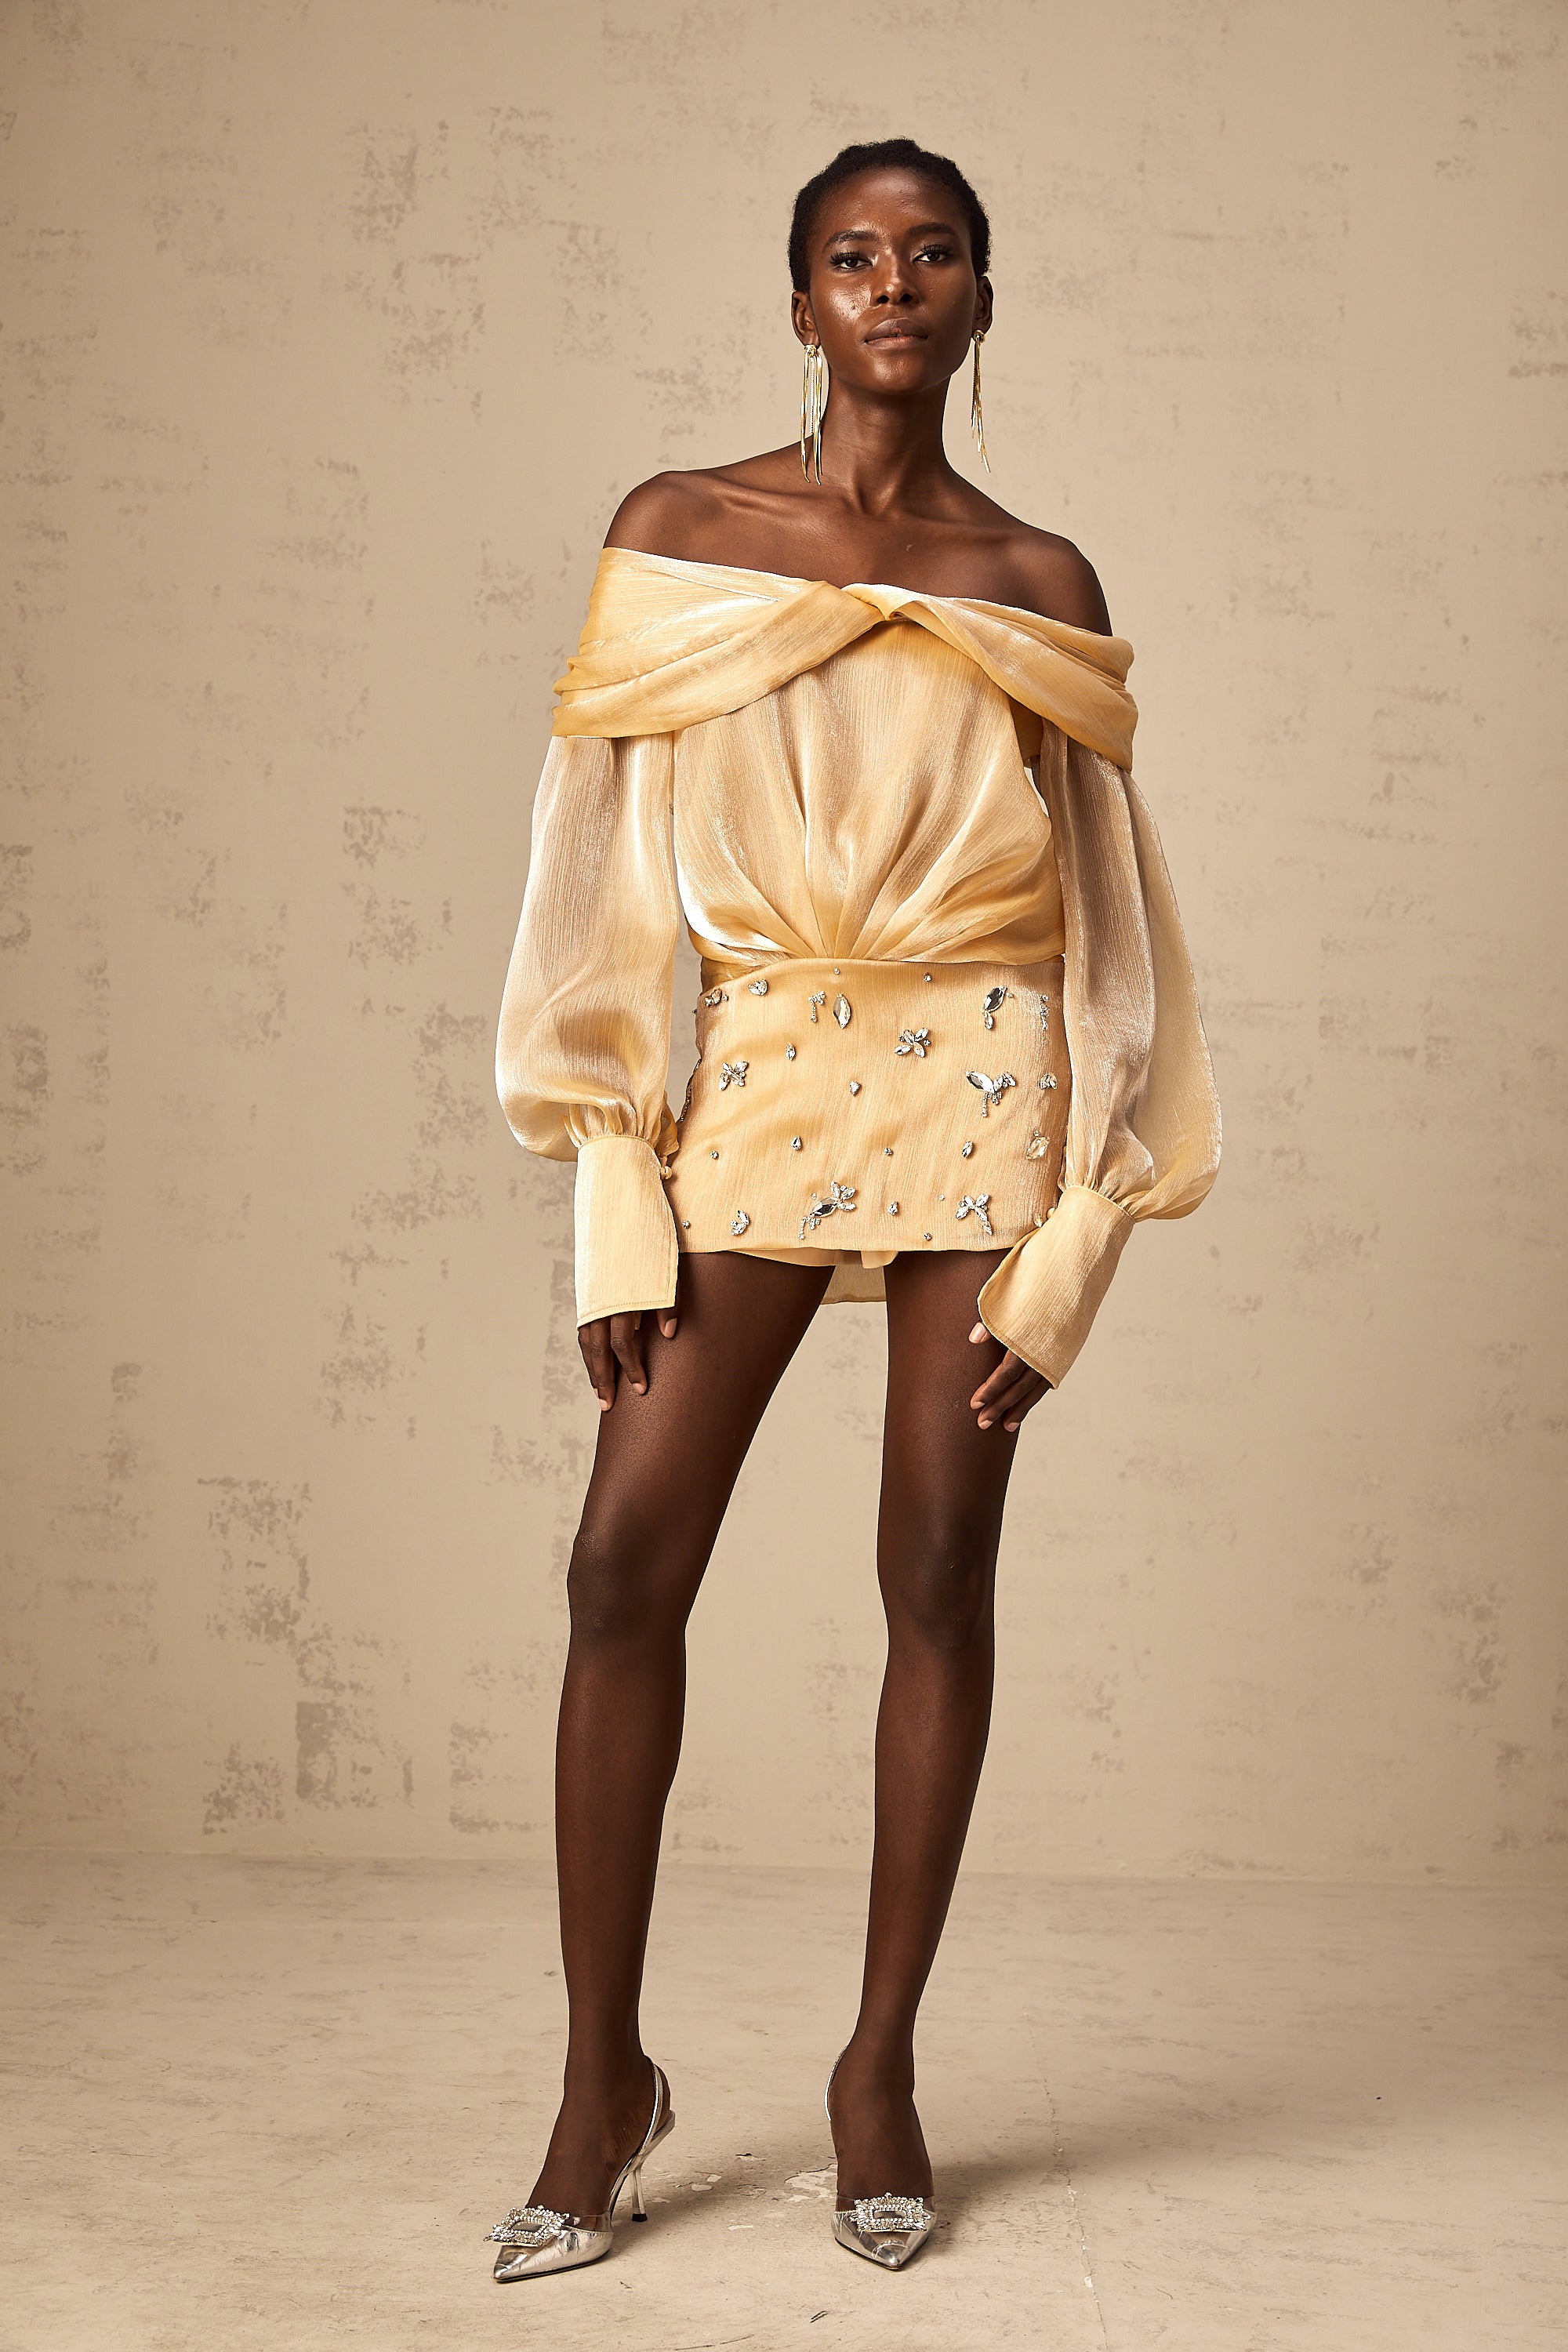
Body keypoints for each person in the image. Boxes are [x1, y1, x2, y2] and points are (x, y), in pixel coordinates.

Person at [486, 136, 1221, 2281]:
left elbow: (1115, 928)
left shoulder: (1037, 574)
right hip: (766, 1065)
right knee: (621, 1562)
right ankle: (601, 2085)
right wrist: (612, 1177)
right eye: (850, 255)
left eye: (933, 254)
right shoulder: (680, 533)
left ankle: (878, 2072)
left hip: (991, 1075)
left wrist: (1087, 1225)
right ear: (798, 300)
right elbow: (596, 874)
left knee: (938, 1559)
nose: (892, 285)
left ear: (984, 297)